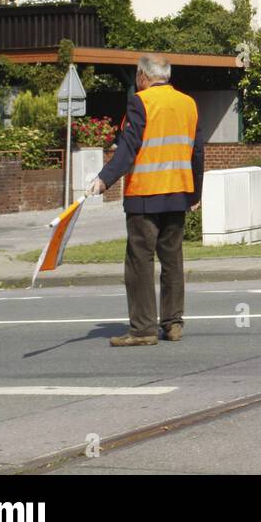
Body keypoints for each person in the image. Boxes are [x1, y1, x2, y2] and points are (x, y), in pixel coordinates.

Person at [88, 53, 203, 347]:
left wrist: (104, 179)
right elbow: (196, 152)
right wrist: (195, 194)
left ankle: (142, 330)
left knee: (139, 262)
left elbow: (128, 147)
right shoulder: (188, 103)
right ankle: (173, 323)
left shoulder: (141, 102)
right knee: (172, 260)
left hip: (145, 195)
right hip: (178, 193)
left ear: (142, 76)